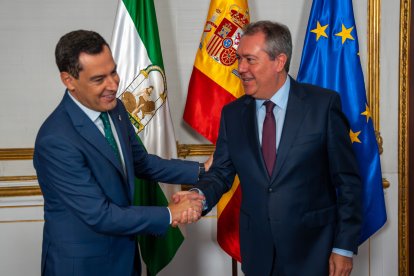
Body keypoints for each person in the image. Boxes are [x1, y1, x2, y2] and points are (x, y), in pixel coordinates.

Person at [176, 21, 362, 276]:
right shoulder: (232, 114)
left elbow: (349, 181)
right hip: (258, 253)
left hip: (314, 252)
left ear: (279, 61)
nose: (241, 69)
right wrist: (199, 196)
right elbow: (221, 173)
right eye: (239, 59)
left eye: (250, 60)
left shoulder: (323, 106)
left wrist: (343, 248)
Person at [33, 30, 206, 276]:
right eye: (98, 79)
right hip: (81, 266)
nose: (113, 85)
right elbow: (100, 215)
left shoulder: (116, 109)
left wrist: (200, 170)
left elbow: (141, 163)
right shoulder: (56, 140)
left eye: (113, 71)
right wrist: (170, 214)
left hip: (124, 258)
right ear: (68, 80)